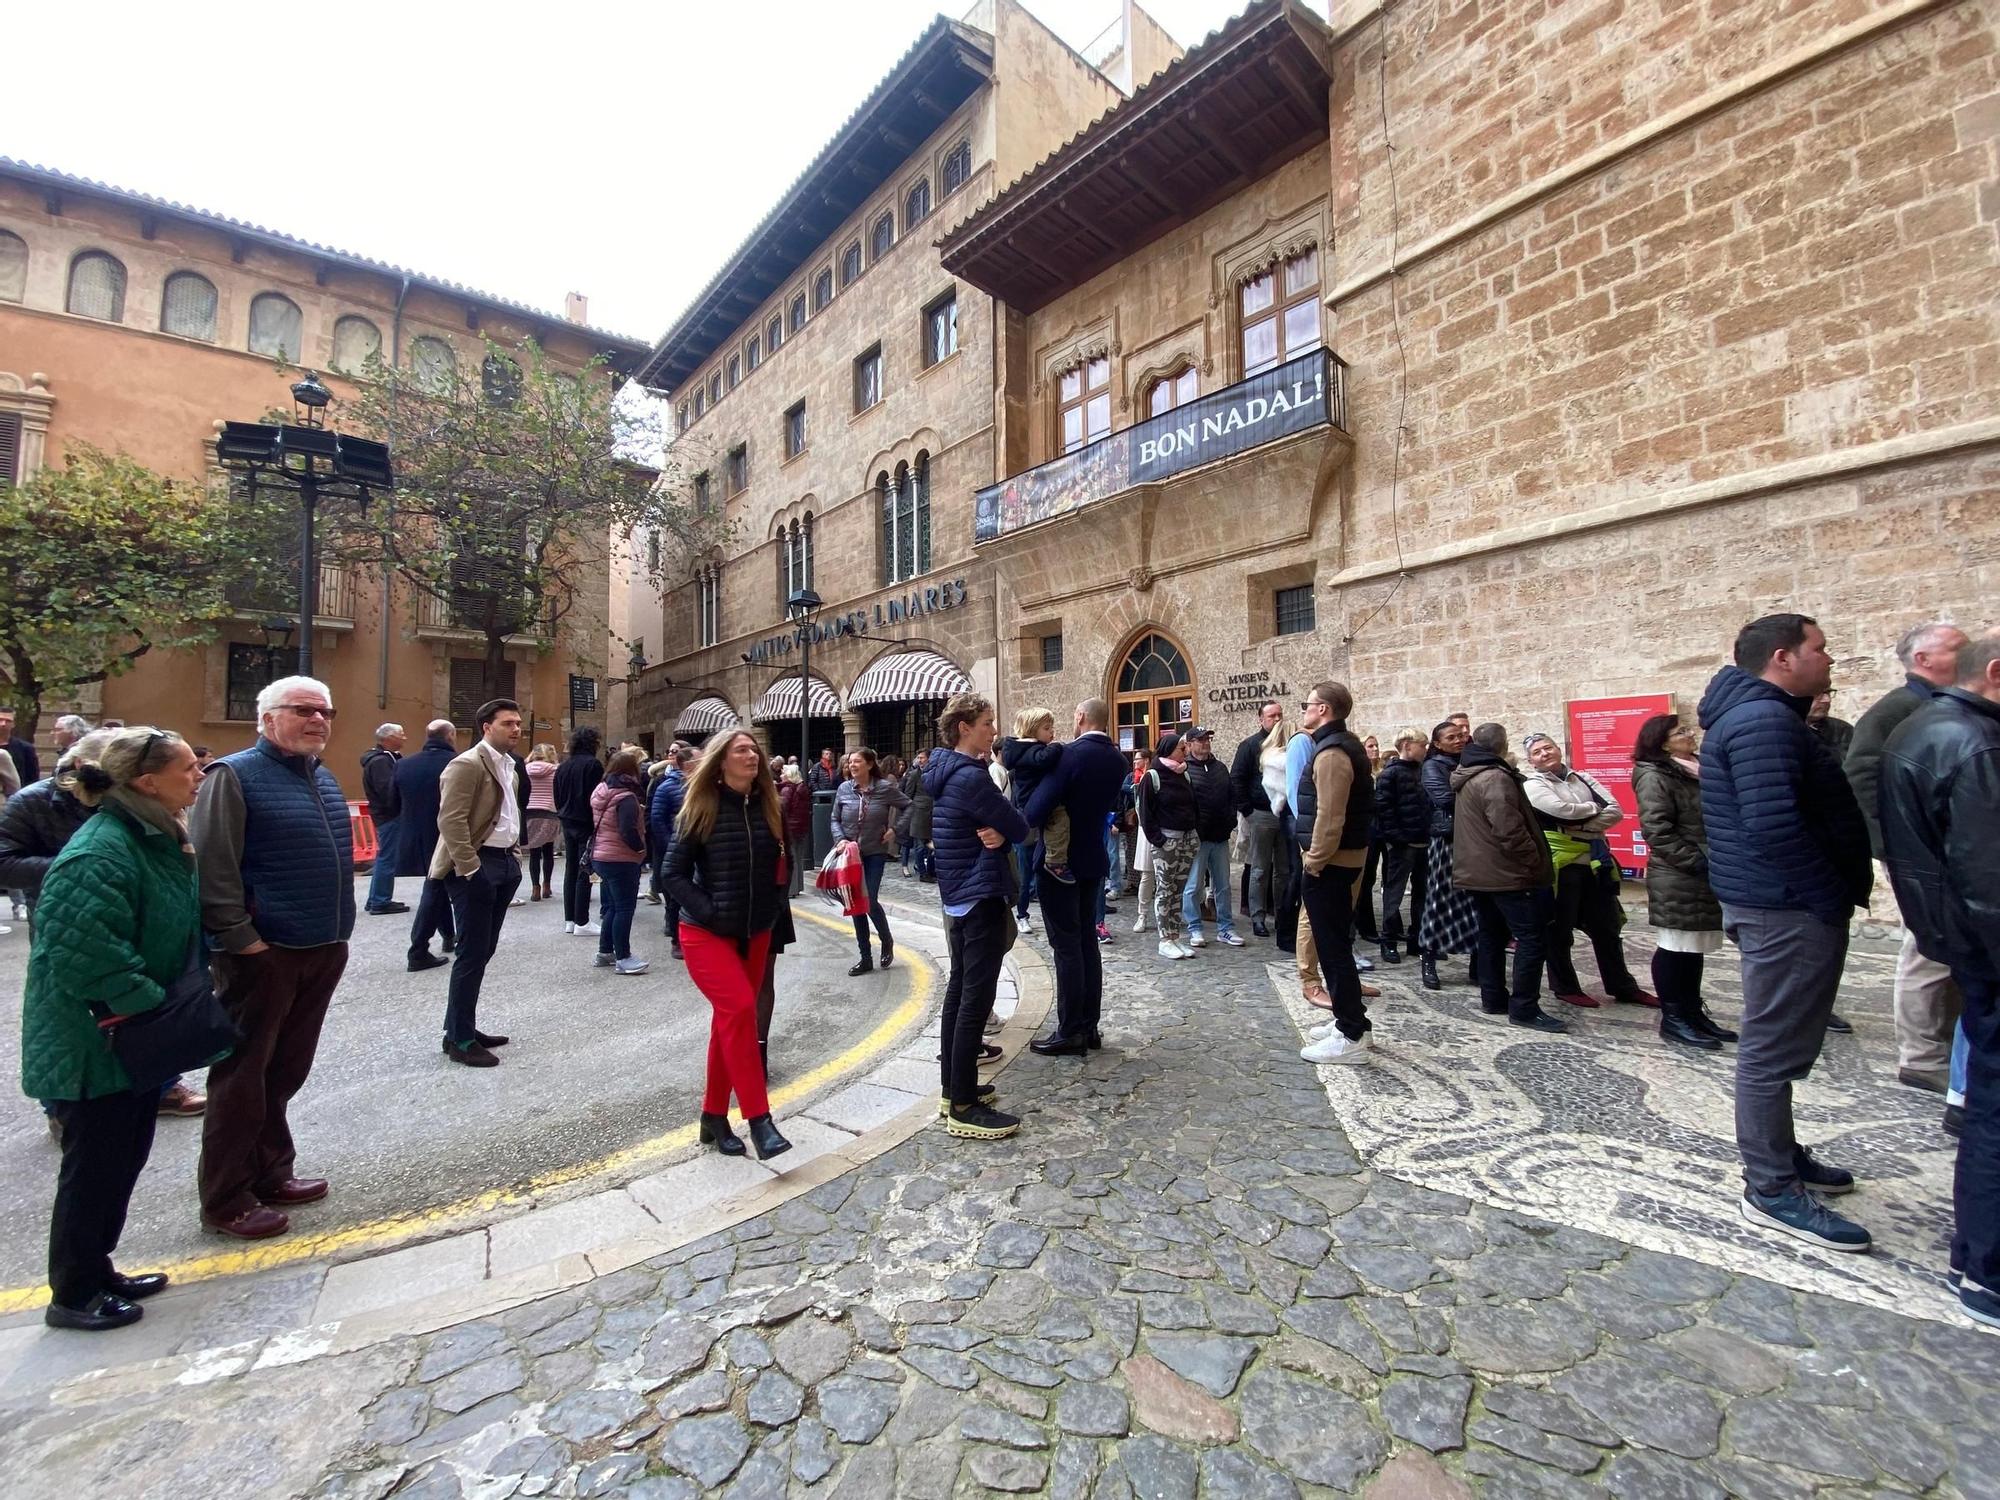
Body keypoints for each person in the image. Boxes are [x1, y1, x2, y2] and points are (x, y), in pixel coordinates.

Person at [1699, 613, 1873, 1253]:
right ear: (1782, 657)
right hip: (1785, 904)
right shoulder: (1763, 722)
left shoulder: (1760, 715)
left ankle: (1781, 1153)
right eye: (1820, 649)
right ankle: (1770, 1187)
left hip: (1782, 901)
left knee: (1783, 1042)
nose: (1829, 659)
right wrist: (1827, 894)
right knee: (1771, 1049)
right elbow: (1774, 825)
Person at [21, 727, 202, 1330]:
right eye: (187, 768)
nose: (199, 774)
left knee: (122, 1156)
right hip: (98, 1039)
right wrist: (151, 1005)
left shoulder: (145, 836)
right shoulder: (100, 851)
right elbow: (86, 953)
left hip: (127, 1032)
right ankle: (72, 1292)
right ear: (147, 783)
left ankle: (98, 1269)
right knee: (93, 1166)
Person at [191, 676, 354, 1240]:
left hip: (321, 946)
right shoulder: (231, 776)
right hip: (265, 953)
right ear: (267, 718)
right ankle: (226, 1198)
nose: (318, 720)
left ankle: (271, 1170)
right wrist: (241, 938)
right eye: (304, 710)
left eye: (325, 710)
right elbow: (213, 867)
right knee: (242, 1077)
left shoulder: (322, 777)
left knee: (284, 1071)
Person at [1879, 630, 2000, 1327]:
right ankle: (1987, 1267)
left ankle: (1978, 1257)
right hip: (1977, 942)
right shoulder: (1970, 742)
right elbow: (1989, 880)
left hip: (1961, 939)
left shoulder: (1933, 728)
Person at [1846, 620, 1971, 1090]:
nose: (1969, 652)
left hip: (1944, 849)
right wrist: (1890, 844)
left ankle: (1946, 1044)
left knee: (1952, 948)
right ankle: (1921, 1055)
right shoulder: (1899, 709)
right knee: (1927, 950)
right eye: (1958, 647)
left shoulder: (1935, 703)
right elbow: (1861, 776)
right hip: (1919, 854)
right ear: (1924, 660)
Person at [663, 730, 794, 1161]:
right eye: (741, 750)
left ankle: (713, 1117)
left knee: (728, 1022)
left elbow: (781, 866)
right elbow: (672, 875)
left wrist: (773, 912)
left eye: (754, 749)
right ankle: (760, 1119)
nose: (751, 755)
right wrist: (712, 911)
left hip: (756, 932)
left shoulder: (769, 806)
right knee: (739, 1009)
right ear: (721, 760)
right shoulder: (700, 807)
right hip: (706, 932)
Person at [923, 694, 1028, 1138]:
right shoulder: (971, 778)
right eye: (986, 722)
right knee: (974, 999)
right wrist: (1005, 834)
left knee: (959, 993)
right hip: (979, 893)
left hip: (959, 895)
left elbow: (998, 833)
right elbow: (1021, 827)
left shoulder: (944, 772)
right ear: (964, 727)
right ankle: (963, 1105)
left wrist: (999, 836)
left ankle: (954, 1087)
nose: (993, 730)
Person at [1023, 698, 1128, 1056]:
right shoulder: (1117, 758)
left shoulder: (1070, 755)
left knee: (1066, 947)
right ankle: (1090, 1026)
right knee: (1086, 943)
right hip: (1093, 859)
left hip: (1060, 863)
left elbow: (1036, 809)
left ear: (1080, 717)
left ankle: (1070, 1030)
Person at [1521, 732, 1655, 1009]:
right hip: (1564, 863)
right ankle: (1565, 986)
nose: (1545, 754)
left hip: (1595, 861)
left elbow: (1615, 810)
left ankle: (1622, 985)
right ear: (1531, 760)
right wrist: (1593, 812)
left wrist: (1582, 822)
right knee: (1560, 929)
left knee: (1607, 926)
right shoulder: (1533, 784)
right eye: (1537, 752)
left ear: (1558, 749)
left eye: (1548, 747)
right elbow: (1558, 810)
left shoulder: (1581, 778)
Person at [1631, 714, 1737, 1051]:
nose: (1690, 735)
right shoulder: (1654, 775)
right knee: (1676, 946)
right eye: (1681, 732)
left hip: (1706, 870)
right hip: (1679, 874)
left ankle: (1693, 1011)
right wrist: (1698, 861)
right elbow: (1657, 830)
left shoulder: (1697, 767)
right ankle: (1674, 1018)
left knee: (1695, 948)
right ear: (1662, 742)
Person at [1452, 723, 1566, 1033]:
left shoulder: (1470, 774)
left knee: (1491, 935)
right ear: (1502, 747)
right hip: (1507, 873)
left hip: (1481, 871)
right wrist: (1533, 861)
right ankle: (1525, 1007)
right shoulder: (1494, 777)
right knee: (1531, 939)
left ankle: (1493, 997)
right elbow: (1508, 829)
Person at [433, 699, 527, 1065]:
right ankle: (459, 1040)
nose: (516, 729)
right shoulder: (466, 764)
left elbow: (507, 815)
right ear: (486, 726)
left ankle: (461, 1026)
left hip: (504, 863)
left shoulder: (511, 767)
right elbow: (451, 821)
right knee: (471, 953)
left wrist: (514, 856)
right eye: (508, 723)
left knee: (483, 950)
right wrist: (470, 869)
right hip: (476, 865)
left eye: (518, 723)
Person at [1295, 683, 1377, 1065]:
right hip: (1340, 859)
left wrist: (1314, 861)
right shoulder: (1345, 744)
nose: (1304, 711)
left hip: (1330, 863)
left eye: (1308, 705)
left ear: (1324, 709)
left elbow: (1330, 817)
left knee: (1333, 948)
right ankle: (1351, 1017)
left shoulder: (1331, 754)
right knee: (1335, 944)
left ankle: (1351, 1033)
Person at [833, 747, 910, 975]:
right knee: (855, 903)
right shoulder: (843, 789)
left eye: (857, 761)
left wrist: (895, 830)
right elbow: (834, 818)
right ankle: (865, 957)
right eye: (849, 762)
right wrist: (839, 840)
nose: (852, 765)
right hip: (850, 855)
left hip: (874, 852)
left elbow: (909, 806)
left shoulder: (885, 788)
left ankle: (886, 940)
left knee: (870, 899)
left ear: (869, 764)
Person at [1415, 720, 1479, 991]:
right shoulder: (1433, 766)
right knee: (1439, 900)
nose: (1458, 740)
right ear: (1438, 743)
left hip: (1474, 839)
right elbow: (1443, 798)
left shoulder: (1473, 762)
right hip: (1447, 839)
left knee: (1477, 903)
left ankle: (1479, 965)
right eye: (1451, 737)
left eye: (1461, 735)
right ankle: (1428, 959)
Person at [1001, 709, 1072, 936]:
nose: (1052, 733)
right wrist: (1058, 747)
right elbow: (1043, 759)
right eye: (1047, 729)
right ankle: (1056, 860)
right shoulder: (1030, 749)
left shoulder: (1019, 748)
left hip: (1031, 799)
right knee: (1059, 821)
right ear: (1033, 730)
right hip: (1033, 800)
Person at [395, 721, 458, 971]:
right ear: (451, 736)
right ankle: (418, 949)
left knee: (437, 886)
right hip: (447, 837)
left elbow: (391, 803)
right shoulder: (458, 763)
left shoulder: (404, 764)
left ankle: (448, 936)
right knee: (435, 889)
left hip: (415, 837)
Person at [1137, 732, 1200, 961]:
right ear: (1168, 750)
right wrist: (1160, 840)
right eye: (1181, 748)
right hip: (1167, 841)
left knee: (1178, 889)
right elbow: (1145, 813)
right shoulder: (1152, 776)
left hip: (1187, 838)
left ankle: (1175, 936)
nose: (1185, 751)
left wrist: (1195, 833)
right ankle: (1165, 939)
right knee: (1165, 889)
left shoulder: (1184, 775)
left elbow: (1193, 806)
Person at [589, 747, 650, 975]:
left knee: (613, 906)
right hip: (621, 857)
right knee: (624, 908)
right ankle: (623, 957)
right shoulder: (626, 797)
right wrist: (641, 849)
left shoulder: (601, 790)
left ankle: (605, 951)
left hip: (601, 854)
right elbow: (627, 830)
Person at [1179, 727, 1241, 948]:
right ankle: (1194, 927)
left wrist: (1231, 820)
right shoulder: (1184, 770)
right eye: (1201, 739)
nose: (1206, 743)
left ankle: (1226, 928)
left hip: (1220, 835)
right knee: (1193, 885)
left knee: (1223, 885)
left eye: (1208, 739)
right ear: (1190, 744)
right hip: (1198, 837)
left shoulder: (1220, 767)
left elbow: (1232, 796)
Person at [1373, 728, 1429, 966]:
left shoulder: (1424, 770)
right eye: (1421, 745)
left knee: (1422, 894)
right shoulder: (1390, 774)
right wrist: (1397, 838)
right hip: (1402, 844)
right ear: (1407, 745)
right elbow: (1384, 809)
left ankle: (1417, 937)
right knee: (1394, 893)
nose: (1425, 749)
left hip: (1424, 840)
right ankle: (1389, 940)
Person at [1231, 704, 1284, 939]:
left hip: (1284, 814)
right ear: (1260, 719)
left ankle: (1282, 915)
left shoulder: (1288, 744)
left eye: (1279, 715)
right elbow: (1237, 779)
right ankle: (1258, 917)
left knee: (1283, 870)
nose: (1276, 719)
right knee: (1259, 868)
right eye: (1271, 716)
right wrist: (1248, 811)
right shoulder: (1250, 745)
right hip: (1261, 814)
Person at [554, 727, 605, 936]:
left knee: (571, 868)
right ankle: (582, 920)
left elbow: (556, 795)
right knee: (584, 868)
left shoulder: (563, 766)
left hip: (567, 819)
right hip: (585, 821)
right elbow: (597, 797)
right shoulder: (593, 765)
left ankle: (570, 919)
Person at [360, 723, 407, 916]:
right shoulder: (381, 762)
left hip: (385, 815)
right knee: (388, 858)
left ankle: (375, 899)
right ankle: (380, 900)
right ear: (388, 738)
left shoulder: (383, 759)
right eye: (401, 735)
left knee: (384, 857)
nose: (404, 738)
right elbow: (387, 790)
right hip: (389, 816)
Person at [652, 745, 695, 953]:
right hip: (677, 848)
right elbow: (657, 819)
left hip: (696, 849)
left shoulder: (702, 785)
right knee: (676, 897)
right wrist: (671, 845)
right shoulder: (667, 787)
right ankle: (676, 939)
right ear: (687, 764)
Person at [523, 743, 561, 901]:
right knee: (548, 851)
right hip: (550, 813)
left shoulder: (525, 770)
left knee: (534, 852)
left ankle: (535, 888)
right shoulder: (556, 771)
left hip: (530, 812)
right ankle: (547, 885)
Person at [778, 762, 812, 901]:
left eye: (783, 773)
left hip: (790, 828)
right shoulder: (802, 788)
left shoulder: (787, 790)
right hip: (801, 828)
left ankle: (791, 889)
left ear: (788, 775)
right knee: (798, 858)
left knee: (791, 860)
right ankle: (798, 887)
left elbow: (783, 809)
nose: (781, 775)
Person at [900, 750, 933, 880]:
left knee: (931, 846)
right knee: (919, 846)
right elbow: (908, 795)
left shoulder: (933, 772)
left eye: (922, 757)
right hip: (918, 814)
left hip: (932, 813)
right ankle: (923, 873)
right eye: (918, 757)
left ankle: (929, 870)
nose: (920, 760)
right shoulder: (914, 774)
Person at [1807, 690, 1855, 763]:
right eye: (1818, 694)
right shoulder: (1787, 731)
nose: (1827, 700)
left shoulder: (1842, 729)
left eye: (1828, 693)